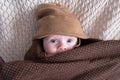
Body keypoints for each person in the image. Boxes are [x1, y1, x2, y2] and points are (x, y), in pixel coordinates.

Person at [24, 3, 89, 58]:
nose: (62, 47)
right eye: (53, 41)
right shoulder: (35, 63)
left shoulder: (85, 56)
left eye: (69, 41)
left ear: (78, 41)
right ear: (41, 42)